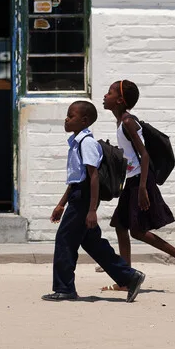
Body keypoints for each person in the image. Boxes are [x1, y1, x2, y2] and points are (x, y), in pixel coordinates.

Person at [43, 100, 147, 303]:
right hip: (79, 196)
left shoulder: (87, 144)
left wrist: (92, 210)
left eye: (71, 116)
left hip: (84, 200)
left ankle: (64, 289)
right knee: (93, 244)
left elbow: (93, 177)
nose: (66, 119)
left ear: (84, 121)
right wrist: (61, 204)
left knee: (65, 241)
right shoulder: (76, 143)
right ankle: (129, 276)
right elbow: (76, 179)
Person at [102, 80, 175, 290]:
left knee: (136, 231)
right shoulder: (122, 121)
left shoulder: (127, 121)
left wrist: (143, 187)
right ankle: (126, 279)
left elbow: (144, 155)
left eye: (109, 93)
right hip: (133, 181)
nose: (104, 96)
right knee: (120, 225)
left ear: (119, 100)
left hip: (140, 182)